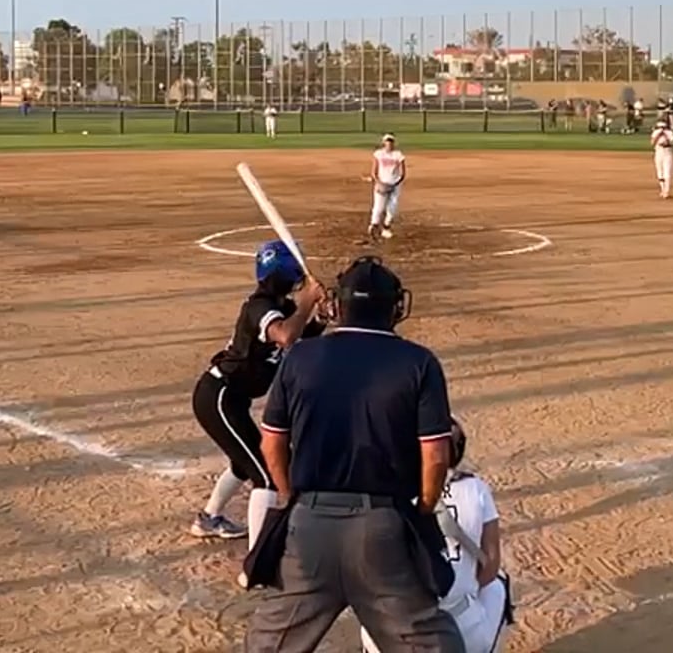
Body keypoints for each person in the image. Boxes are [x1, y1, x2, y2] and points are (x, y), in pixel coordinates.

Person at [244, 256, 464, 653]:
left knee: (271, 645)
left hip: (308, 525)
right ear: (395, 307)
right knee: (430, 644)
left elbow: (271, 443)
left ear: (338, 306)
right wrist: (424, 508)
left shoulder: (301, 356)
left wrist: (290, 496)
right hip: (382, 527)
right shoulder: (418, 362)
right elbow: (435, 455)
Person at [192, 240, 328, 544]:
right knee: (266, 475)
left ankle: (209, 518)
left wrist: (320, 317)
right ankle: (259, 555)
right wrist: (307, 302)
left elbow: (300, 337)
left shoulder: (282, 307)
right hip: (219, 396)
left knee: (244, 463)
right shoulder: (260, 306)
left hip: (233, 398)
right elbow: (285, 335)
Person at [360, 418, 513, 653]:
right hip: (461, 628)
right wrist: (464, 588)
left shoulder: (387, 490)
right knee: (497, 586)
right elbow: (490, 565)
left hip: (398, 630)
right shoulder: (477, 488)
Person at [366, 134, 407, 241]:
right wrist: (379, 183)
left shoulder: (398, 155)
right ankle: (374, 225)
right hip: (381, 184)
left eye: (391, 141)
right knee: (378, 207)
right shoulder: (378, 154)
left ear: (394, 143)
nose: (389, 143)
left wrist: (396, 183)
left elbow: (403, 173)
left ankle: (386, 227)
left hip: (395, 185)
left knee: (392, 207)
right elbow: (374, 171)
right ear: (383, 142)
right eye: (387, 141)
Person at [651, 112, 673, 199]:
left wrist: (667, 141)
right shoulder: (656, 132)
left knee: (667, 172)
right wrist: (659, 134)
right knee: (660, 171)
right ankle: (663, 189)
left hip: (667, 152)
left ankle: (666, 191)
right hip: (658, 152)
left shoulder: (669, 133)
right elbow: (652, 143)